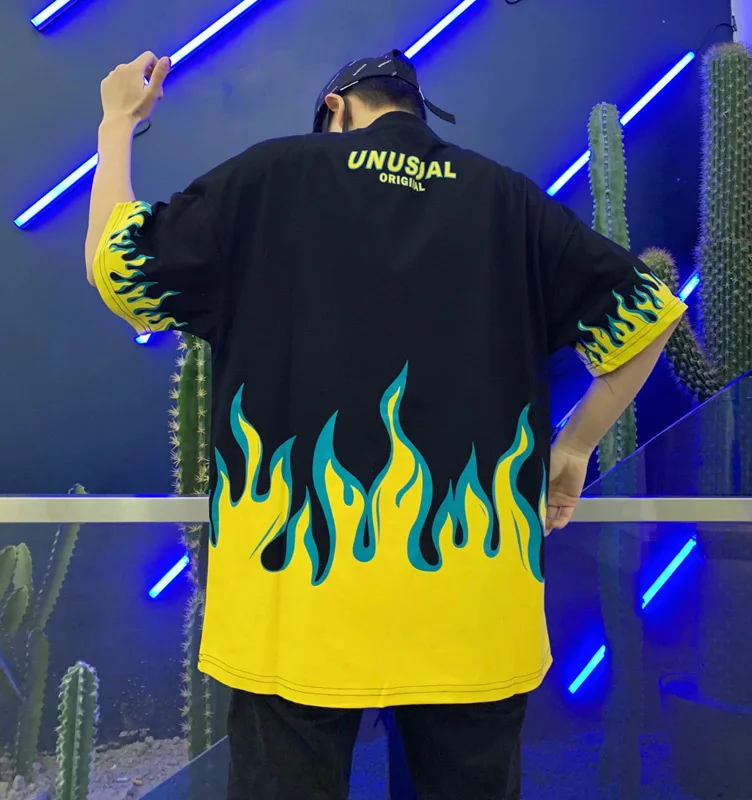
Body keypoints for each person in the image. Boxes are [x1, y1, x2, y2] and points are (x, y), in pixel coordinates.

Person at [86, 48, 686, 800]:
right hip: (471, 594)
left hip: (294, 592)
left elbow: (119, 269)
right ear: (414, 110)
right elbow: (650, 314)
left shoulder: (270, 176)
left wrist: (117, 124)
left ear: (336, 110)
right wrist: (573, 449)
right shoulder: (506, 197)